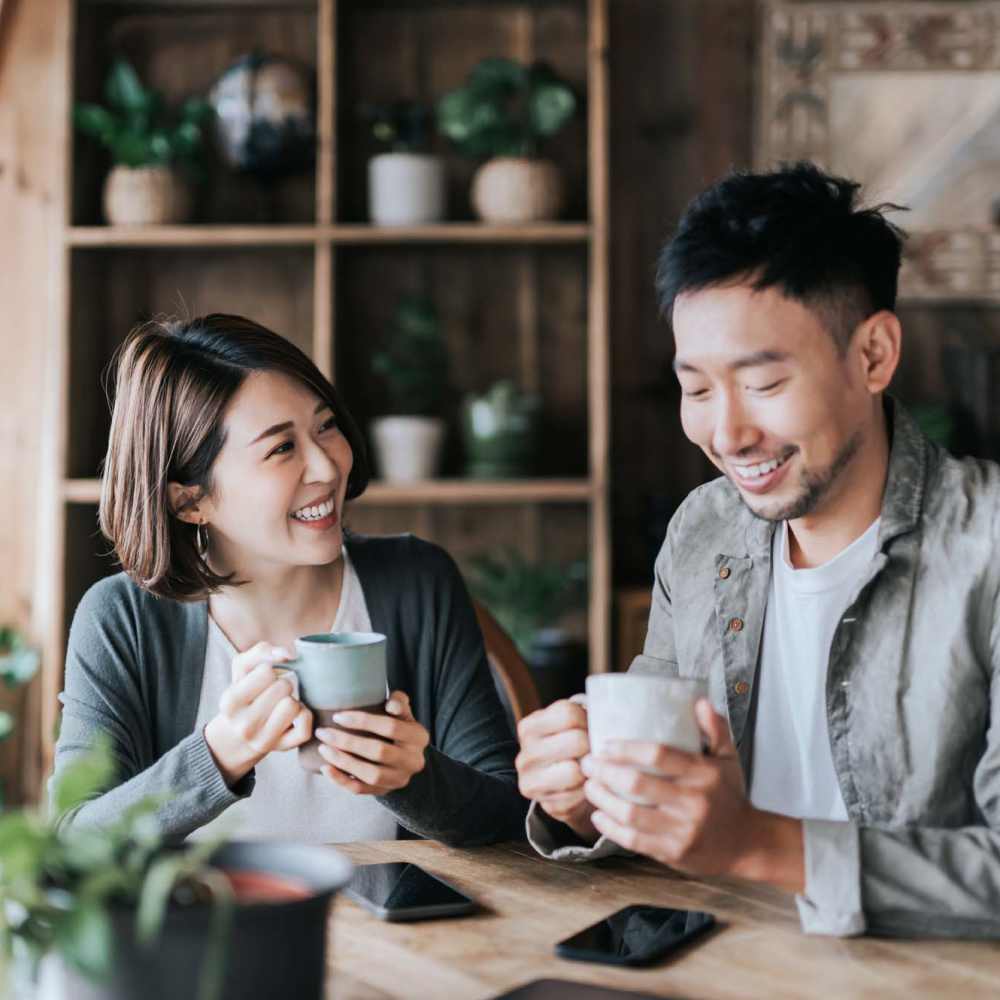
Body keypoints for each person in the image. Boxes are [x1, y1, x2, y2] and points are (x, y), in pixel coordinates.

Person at [515, 161, 1000, 938]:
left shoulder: (988, 547)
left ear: (873, 354)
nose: (728, 434)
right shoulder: (702, 531)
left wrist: (763, 847)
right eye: (698, 390)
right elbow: (653, 794)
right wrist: (581, 802)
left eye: (764, 384)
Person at [52, 313, 527, 845]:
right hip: (205, 930)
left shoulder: (418, 582)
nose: (327, 466)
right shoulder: (121, 620)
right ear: (189, 500)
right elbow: (71, 844)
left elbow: (510, 818)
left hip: (399, 932)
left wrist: (412, 779)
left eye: (325, 425)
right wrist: (218, 754)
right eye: (281, 448)